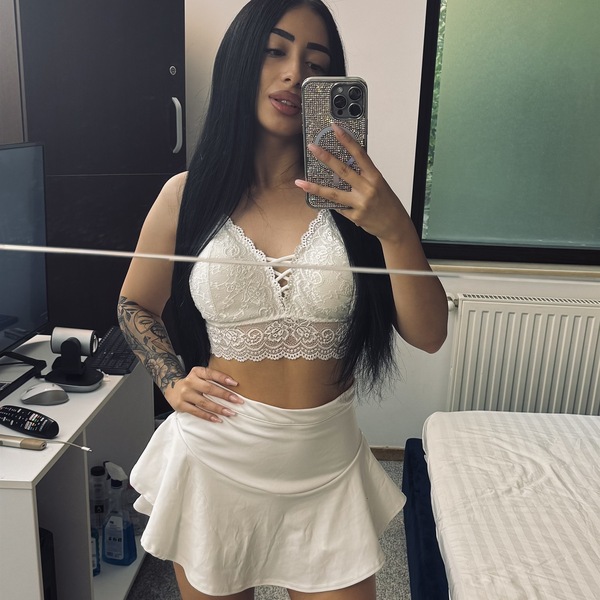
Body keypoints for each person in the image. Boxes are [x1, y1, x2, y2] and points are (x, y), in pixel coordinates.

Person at [117, 1, 448, 598]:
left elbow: (429, 335)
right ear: (241, 62)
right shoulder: (186, 196)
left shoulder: (361, 202)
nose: (295, 73)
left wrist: (396, 229)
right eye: (275, 51)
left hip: (327, 469)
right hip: (214, 463)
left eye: (315, 63)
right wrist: (170, 380)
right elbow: (133, 305)